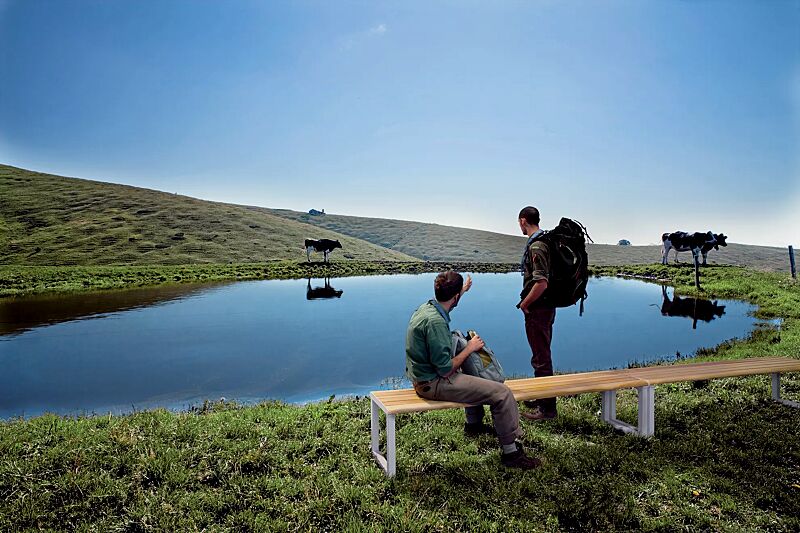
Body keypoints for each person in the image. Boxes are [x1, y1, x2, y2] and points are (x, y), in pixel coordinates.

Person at [405, 270, 540, 469]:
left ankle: (474, 426)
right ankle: (511, 453)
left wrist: (462, 290)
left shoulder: (427, 308)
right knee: (502, 393)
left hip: (423, 378)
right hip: (433, 383)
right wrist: (470, 348)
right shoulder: (436, 323)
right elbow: (445, 370)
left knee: (471, 373)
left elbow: (448, 302)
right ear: (456, 296)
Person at [517, 206, 558, 421]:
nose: (520, 226)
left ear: (524, 221)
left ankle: (547, 410)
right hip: (545, 307)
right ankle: (541, 395)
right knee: (540, 354)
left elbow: (541, 282)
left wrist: (525, 304)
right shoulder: (544, 241)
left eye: (519, 222)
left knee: (541, 358)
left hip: (539, 308)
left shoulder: (538, 246)